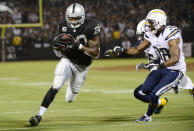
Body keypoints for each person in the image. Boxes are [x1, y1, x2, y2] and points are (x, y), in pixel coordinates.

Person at [104, 9, 193, 122]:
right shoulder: (150, 34)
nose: (149, 25)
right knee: (142, 91)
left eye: (151, 22)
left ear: (159, 22)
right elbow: (137, 49)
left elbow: (175, 59)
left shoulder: (170, 33)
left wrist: (158, 66)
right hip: (162, 68)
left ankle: (147, 116)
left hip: (175, 70)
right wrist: (122, 51)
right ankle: (161, 101)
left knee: (155, 93)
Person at [29, 3, 101, 126]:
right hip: (68, 60)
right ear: (67, 17)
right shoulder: (62, 26)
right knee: (56, 85)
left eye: (76, 18)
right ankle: (38, 115)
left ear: (82, 17)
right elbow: (58, 54)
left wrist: (79, 46)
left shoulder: (90, 26)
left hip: (82, 67)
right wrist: (56, 47)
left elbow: (96, 53)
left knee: (69, 98)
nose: (73, 21)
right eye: (71, 18)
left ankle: (72, 88)